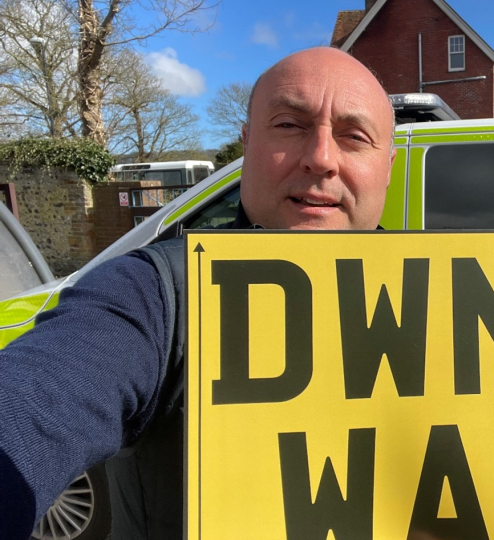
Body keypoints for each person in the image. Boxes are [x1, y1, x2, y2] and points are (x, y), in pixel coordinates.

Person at [0, 46, 397, 540]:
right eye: (290, 125)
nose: (321, 158)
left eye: (354, 136)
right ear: (247, 143)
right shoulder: (156, 295)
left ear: (388, 164)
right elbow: (34, 404)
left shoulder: (471, 296)